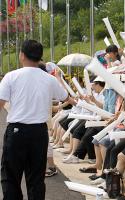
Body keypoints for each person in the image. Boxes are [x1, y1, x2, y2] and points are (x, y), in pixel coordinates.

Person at [0, 40, 68, 200]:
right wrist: (57, 78)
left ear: (22, 55)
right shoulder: (48, 79)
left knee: (10, 177)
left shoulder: (11, 76)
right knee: (36, 179)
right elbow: (64, 96)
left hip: (17, 131)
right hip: (39, 132)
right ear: (40, 58)